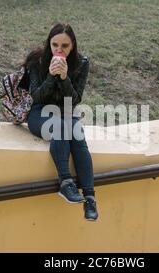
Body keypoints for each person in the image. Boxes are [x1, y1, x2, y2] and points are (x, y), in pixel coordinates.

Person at [22, 23, 98, 221]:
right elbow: (37, 97)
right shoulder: (37, 60)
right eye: (55, 44)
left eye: (65, 46)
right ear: (49, 43)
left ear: (72, 46)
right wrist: (50, 75)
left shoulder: (82, 63)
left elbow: (75, 99)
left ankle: (90, 197)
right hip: (40, 113)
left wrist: (64, 78)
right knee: (61, 128)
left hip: (65, 112)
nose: (59, 50)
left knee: (78, 136)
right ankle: (65, 183)